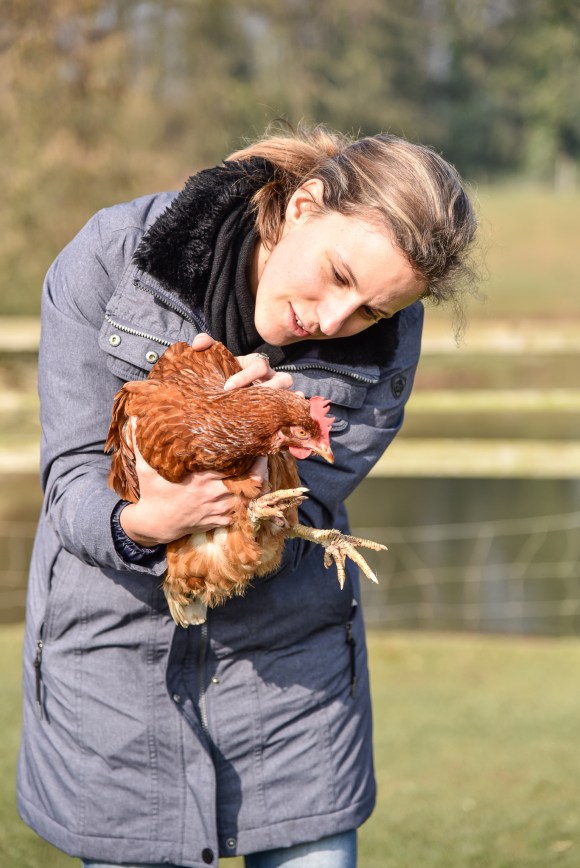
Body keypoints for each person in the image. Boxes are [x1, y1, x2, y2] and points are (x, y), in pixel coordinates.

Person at [17, 123, 477, 868]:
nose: (333, 320)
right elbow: (71, 475)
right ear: (303, 206)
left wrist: (254, 459)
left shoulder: (389, 336)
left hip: (290, 684)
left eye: (371, 311)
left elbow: (311, 501)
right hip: (115, 676)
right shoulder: (114, 257)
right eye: (338, 276)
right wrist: (142, 522)